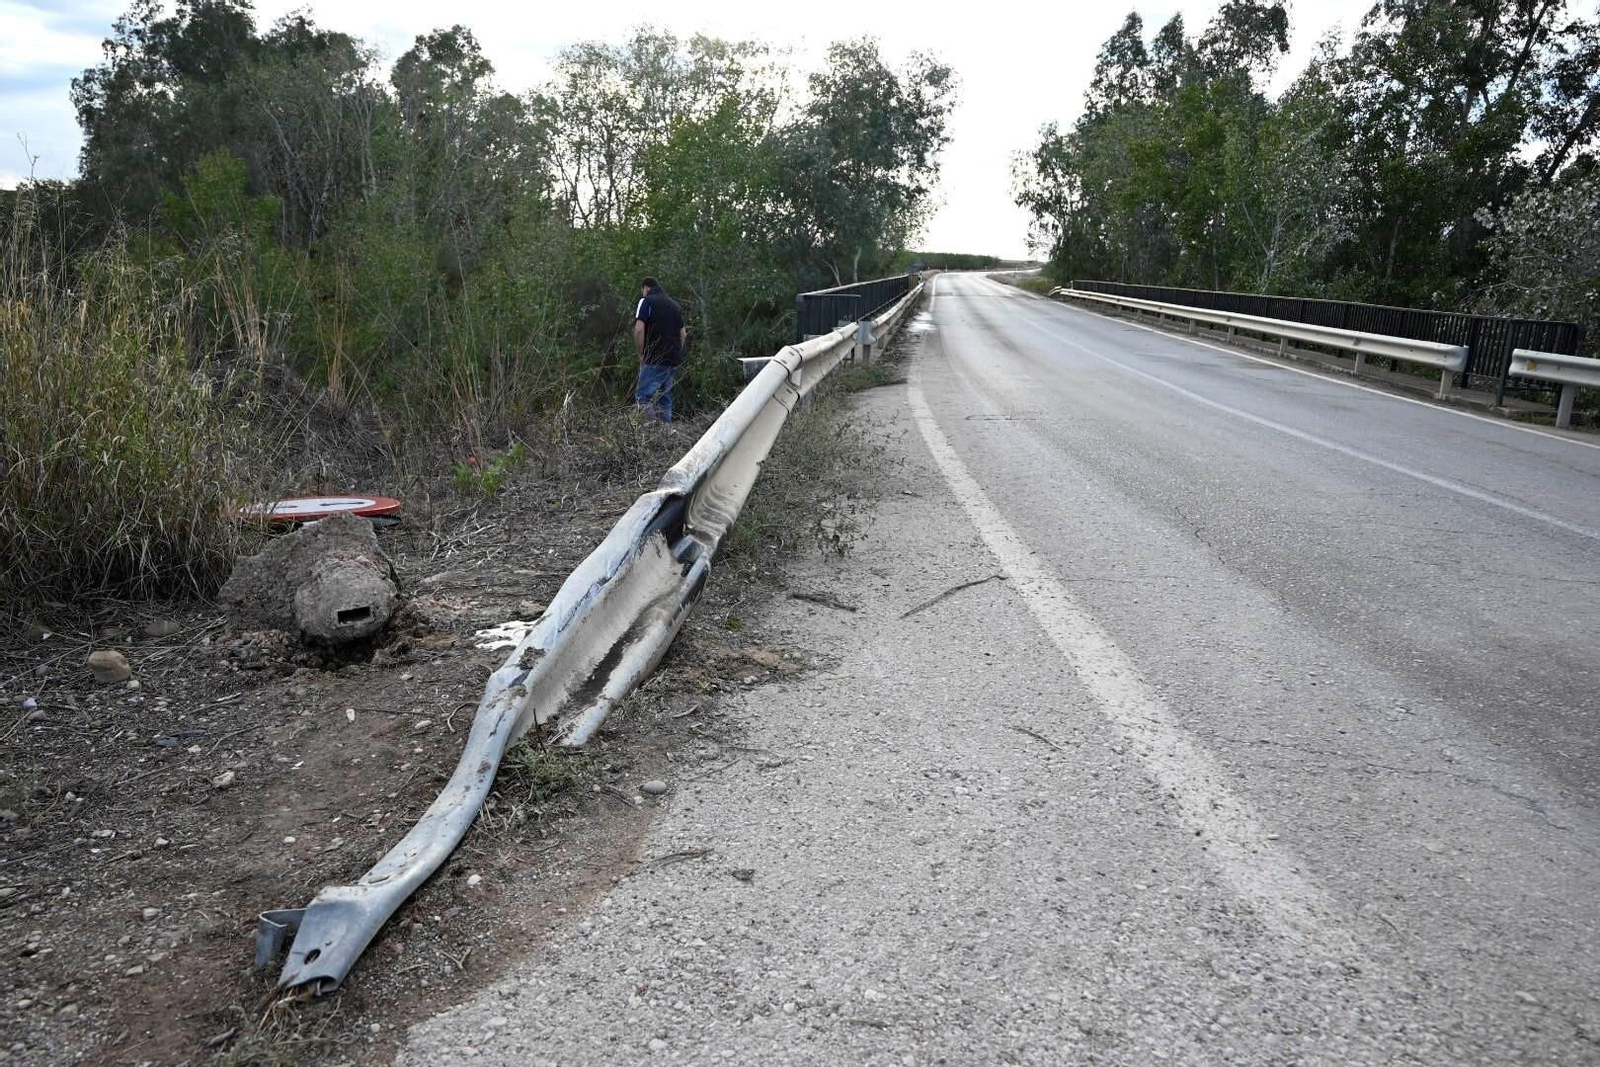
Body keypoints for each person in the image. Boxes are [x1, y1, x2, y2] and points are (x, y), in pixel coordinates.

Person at [633, 277, 687, 422]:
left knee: (643, 396)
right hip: (672, 359)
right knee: (665, 398)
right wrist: (676, 353)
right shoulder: (674, 305)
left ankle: (649, 432)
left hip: (654, 358)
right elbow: (683, 334)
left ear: (646, 288)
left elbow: (639, 330)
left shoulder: (646, 301)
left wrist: (641, 354)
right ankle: (666, 434)